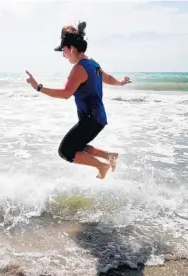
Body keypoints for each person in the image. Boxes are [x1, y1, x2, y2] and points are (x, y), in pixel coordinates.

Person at [25, 21, 131, 179]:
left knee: (66, 151)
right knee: (78, 147)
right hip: (97, 119)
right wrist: (120, 82)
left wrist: (38, 87)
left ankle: (102, 165)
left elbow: (65, 93)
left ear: (72, 48)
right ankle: (110, 156)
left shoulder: (79, 69)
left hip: (90, 119)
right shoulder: (93, 64)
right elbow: (107, 78)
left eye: (64, 50)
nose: (63, 55)